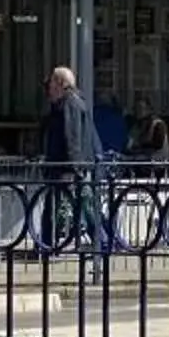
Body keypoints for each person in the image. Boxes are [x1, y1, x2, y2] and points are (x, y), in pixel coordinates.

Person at [39, 65, 109, 259]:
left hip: (67, 167)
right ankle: (49, 244)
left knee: (78, 205)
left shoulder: (69, 104)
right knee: (74, 205)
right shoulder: (72, 103)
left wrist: (73, 166)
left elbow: (72, 136)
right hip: (67, 166)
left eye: (51, 82)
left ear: (61, 84)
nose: (48, 86)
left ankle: (98, 243)